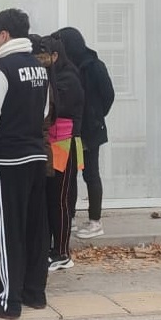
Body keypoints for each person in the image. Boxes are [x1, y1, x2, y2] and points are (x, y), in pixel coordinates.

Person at [0, 8, 50, 320]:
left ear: (4, 34)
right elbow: (45, 111)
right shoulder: (39, 68)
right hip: (35, 156)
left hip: (6, 160)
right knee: (34, 229)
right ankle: (34, 292)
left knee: (6, 230)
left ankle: (6, 300)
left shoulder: (0, 70)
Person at [53, 26, 114, 240]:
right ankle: (68, 216)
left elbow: (108, 95)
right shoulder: (65, 67)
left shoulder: (94, 66)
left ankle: (95, 220)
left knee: (91, 174)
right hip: (71, 130)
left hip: (89, 131)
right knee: (69, 176)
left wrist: (96, 116)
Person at [33, 34, 84, 272]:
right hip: (49, 143)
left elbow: (58, 109)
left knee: (60, 200)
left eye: (43, 57)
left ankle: (62, 251)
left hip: (65, 143)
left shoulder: (69, 77)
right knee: (48, 199)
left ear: (55, 56)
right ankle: (49, 248)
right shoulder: (50, 75)